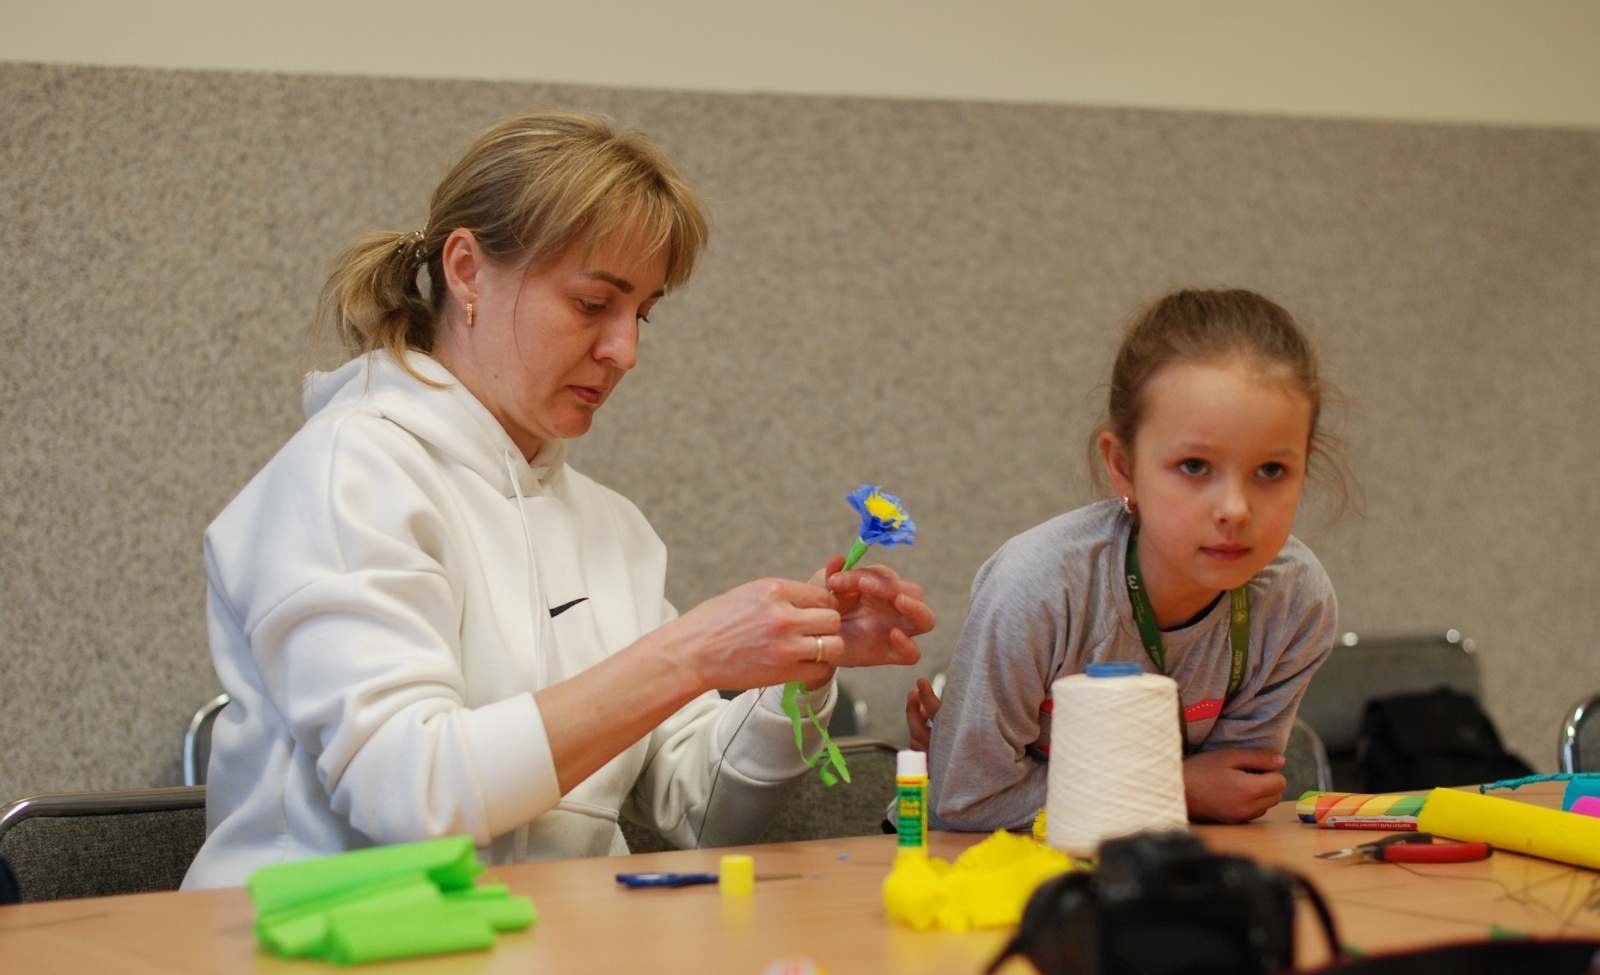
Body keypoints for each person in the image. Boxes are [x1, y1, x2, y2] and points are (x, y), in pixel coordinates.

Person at [183, 112, 933, 889]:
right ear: (468, 270)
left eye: (642, 313)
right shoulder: (348, 473)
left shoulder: (612, 530)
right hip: (310, 961)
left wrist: (799, 670)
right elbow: (413, 795)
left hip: (543, 963)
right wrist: (688, 656)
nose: (626, 351)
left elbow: (703, 814)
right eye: (591, 304)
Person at [906, 288, 1347, 831]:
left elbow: (1235, 794)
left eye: (1272, 471)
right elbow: (967, 803)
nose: (1234, 510)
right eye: (1193, 466)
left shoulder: (1296, 602)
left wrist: (1186, 795)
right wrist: (1178, 787)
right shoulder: (1039, 588)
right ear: (1122, 466)